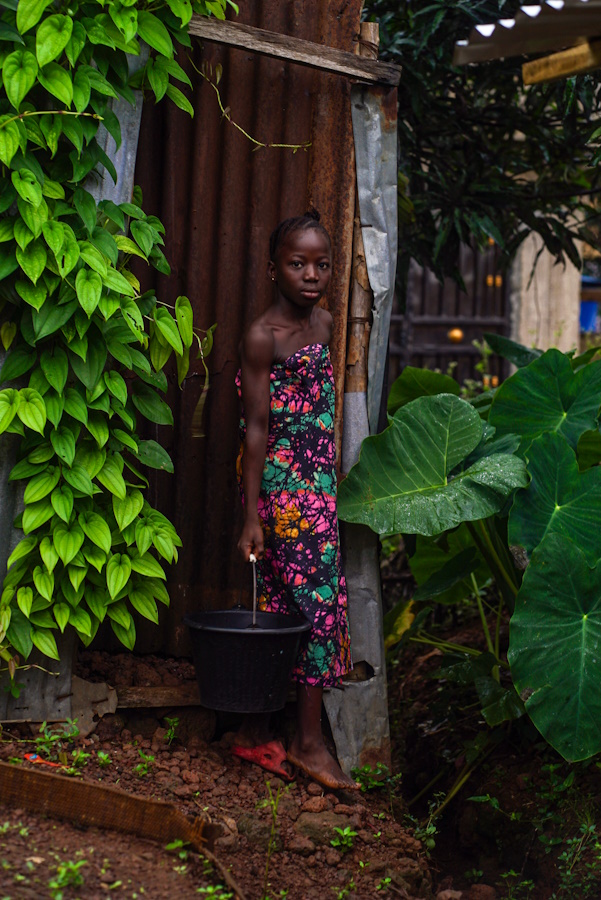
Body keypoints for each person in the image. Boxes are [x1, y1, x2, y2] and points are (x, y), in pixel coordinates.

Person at [234, 210, 357, 791]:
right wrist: (252, 514)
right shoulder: (264, 336)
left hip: (320, 491)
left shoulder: (326, 324)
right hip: (285, 496)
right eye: (297, 263)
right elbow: (255, 429)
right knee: (315, 611)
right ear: (272, 269)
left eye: (321, 264)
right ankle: (309, 744)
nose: (311, 274)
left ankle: (259, 733)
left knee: (286, 606)